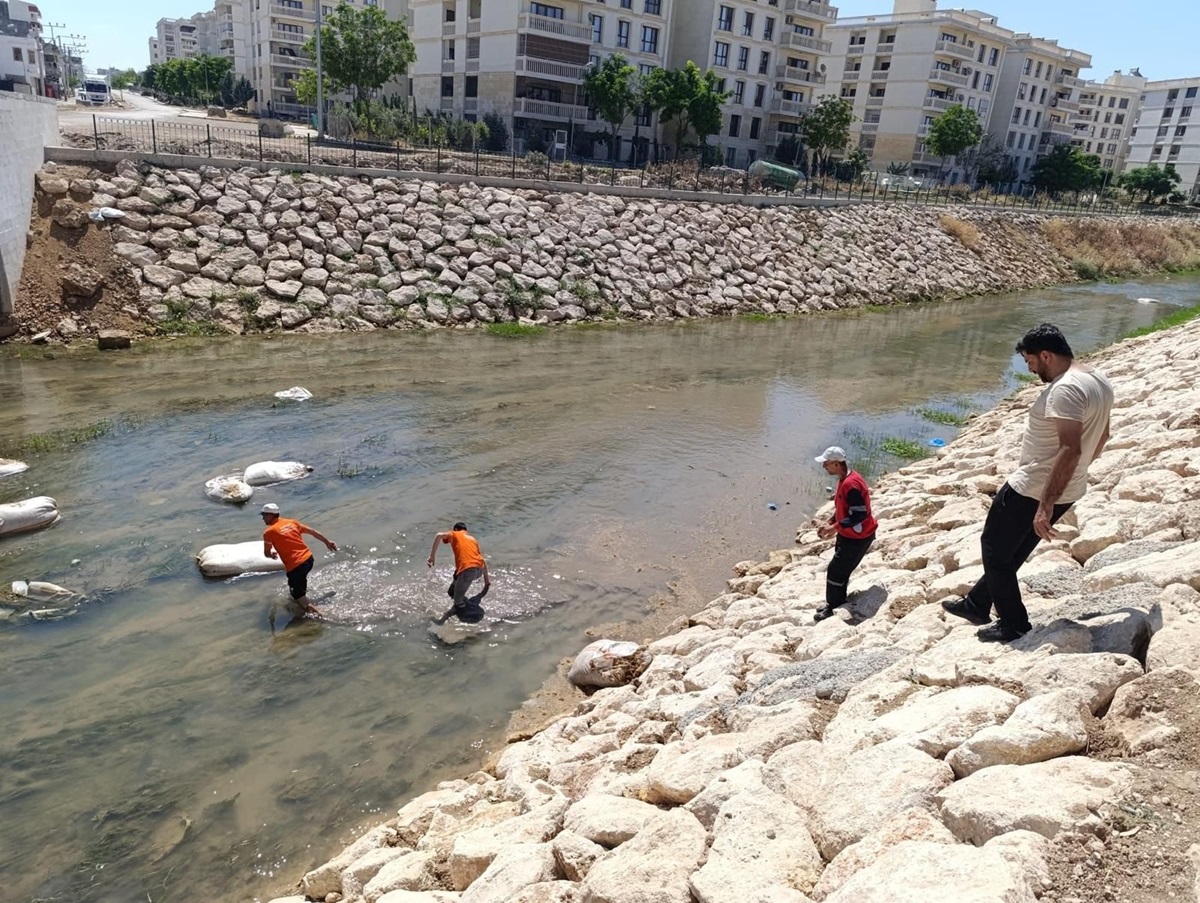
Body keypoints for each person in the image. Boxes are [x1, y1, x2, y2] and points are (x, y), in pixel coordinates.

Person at [943, 323, 1113, 643]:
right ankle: (977, 602)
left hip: (1034, 486)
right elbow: (1102, 435)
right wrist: (1076, 474)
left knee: (994, 550)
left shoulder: (1064, 389)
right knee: (1014, 550)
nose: (1030, 369)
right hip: (1070, 487)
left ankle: (1014, 624)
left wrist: (1045, 504)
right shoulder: (1097, 379)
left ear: (1046, 355)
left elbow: (1070, 447)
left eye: (1029, 361)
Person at [813, 446, 878, 622]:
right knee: (840, 570)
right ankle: (837, 602)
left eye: (826, 463)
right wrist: (831, 520)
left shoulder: (851, 484)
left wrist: (835, 527)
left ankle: (834, 607)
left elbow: (859, 513)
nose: (824, 466)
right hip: (848, 535)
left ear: (836, 463)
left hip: (858, 537)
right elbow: (844, 507)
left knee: (836, 571)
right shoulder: (845, 478)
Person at [261, 502, 338, 630]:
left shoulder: (269, 532)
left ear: (270, 515)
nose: (263, 518)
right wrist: (327, 542)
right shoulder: (292, 522)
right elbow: (312, 532)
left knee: (298, 597)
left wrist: (271, 555)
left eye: (264, 515)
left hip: (295, 566)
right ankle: (302, 593)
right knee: (297, 585)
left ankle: (323, 618)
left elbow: (266, 553)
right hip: (308, 559)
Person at [427, 522, 490, 623]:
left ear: (456, 529)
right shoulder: (473, 539)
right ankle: (453, 590)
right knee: (458, 573)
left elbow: (439, 535)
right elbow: (482, 560)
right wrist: (487, 582)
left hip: (467, 572)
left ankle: (461, 611)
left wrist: (432, 556)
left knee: (458, 603)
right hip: (479, 570)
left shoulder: (455, 533)